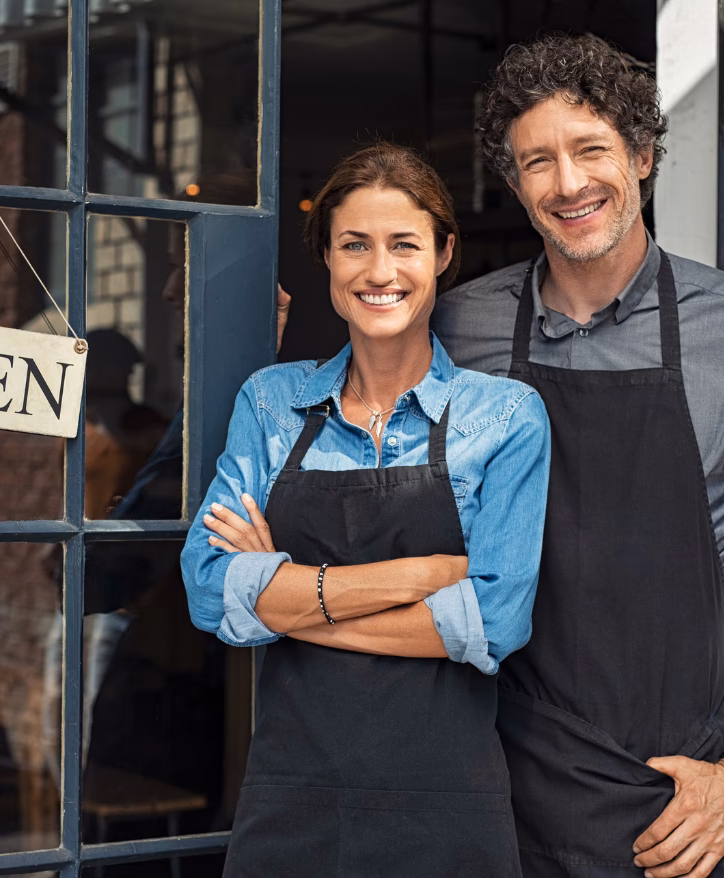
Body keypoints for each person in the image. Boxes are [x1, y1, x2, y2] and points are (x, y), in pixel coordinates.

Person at [429, 34, 724, 878]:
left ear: (644, 156)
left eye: (591, 149)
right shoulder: (456, 327)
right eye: (537, 161)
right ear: (514, 184)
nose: (569, 183)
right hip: (487, 778)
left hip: (676, 803)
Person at [180, 142, 551, 877]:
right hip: (293, 804)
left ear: (444, 253)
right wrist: (423, 576)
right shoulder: (272, 402)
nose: (380, 271)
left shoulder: (505, 417)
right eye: (354, 245)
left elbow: (495, 623)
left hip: (447, 811)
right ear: (326, 259)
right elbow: (206, 589)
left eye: (404, 245)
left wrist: (288, 601)